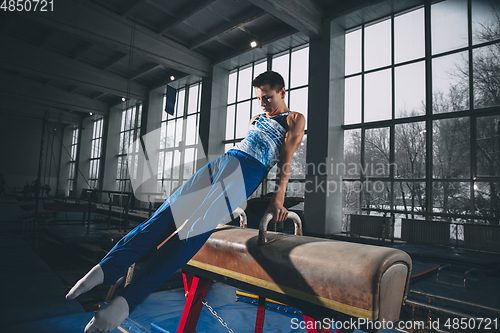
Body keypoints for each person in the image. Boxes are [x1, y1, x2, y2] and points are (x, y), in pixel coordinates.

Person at [66, 71, 306, 333]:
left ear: (283, 92)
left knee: (192, 233)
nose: (263, 104)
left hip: (247, 171)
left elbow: (285, 160)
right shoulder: (257, 118)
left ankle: (124, 303)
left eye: (268, 98)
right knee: (165, 215)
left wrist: (277, 198)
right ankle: (106, 269)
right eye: (259, 98)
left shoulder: (293, 119)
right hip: (224, 161)